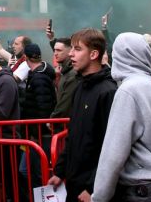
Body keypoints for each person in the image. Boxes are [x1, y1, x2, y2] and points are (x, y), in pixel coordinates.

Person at [90, 33, 151, 202]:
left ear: (120, 57)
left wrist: (99, 197)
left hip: (140, 191)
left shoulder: (128, 90)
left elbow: (113, 152)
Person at [48, 28, 116, 202]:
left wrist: (93, 188)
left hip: (91, 191)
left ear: (94, 54)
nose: (71, 54)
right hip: (74, 182)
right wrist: (59, 172)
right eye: (71, 49)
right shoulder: (80, 88)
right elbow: (73, 135)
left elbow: (110, 147)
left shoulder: (108, 92)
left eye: (77, 49)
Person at [19, 42, 56, 121]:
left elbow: (44, 108)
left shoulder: (39, 78)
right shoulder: (38, 74)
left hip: (39, 130)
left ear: (25, 57)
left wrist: (36, 129)